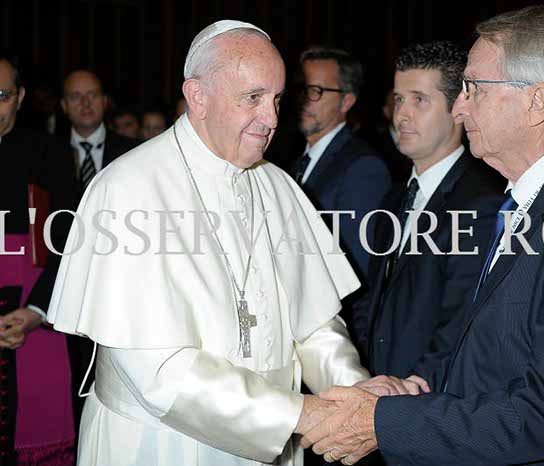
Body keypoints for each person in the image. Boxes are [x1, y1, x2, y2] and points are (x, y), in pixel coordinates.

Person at [300, 6, 544, 465]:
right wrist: (408, 390)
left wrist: (382, 422)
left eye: (473, 88)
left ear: (537, 102)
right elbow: (491, 350)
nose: (460, 106)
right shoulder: (535, 197)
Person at [47, 20, 424, 466]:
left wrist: (355, 394)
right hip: (158, 445)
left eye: (278, 99)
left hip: (275, 441)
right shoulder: (128, 190)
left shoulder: (277, 186)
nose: (272, 120)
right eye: (253, 98)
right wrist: (308, 413)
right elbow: (160, 374)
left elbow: (316, 325)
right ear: (198, 95)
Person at [353, 41, 502, 377]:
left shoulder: (482, 204)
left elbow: (460, 327)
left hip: (424, 407)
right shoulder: (392, 200)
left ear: (459, 109)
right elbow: (371, 304)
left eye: (419, 100)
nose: (401, 114)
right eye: (399, 99)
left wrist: (408, 395)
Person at [0, 50, 79, 466]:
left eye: (1, 94)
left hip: (34, 317)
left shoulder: (50, 155)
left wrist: (35, 310)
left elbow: (70, 244)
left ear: (21, 96)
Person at [290, 47, 391, 296]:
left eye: (316, 91)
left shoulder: (363, 168)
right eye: (301, 89)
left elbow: (357, 272)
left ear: (347, 101)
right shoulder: (294, 164)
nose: (304, 99)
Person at [60, 70, 139, 193]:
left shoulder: (132, 151)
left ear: (104, 101)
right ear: (64, 105)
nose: (85, 103)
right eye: (76, 96)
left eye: (92, 95)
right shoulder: (46, 154)